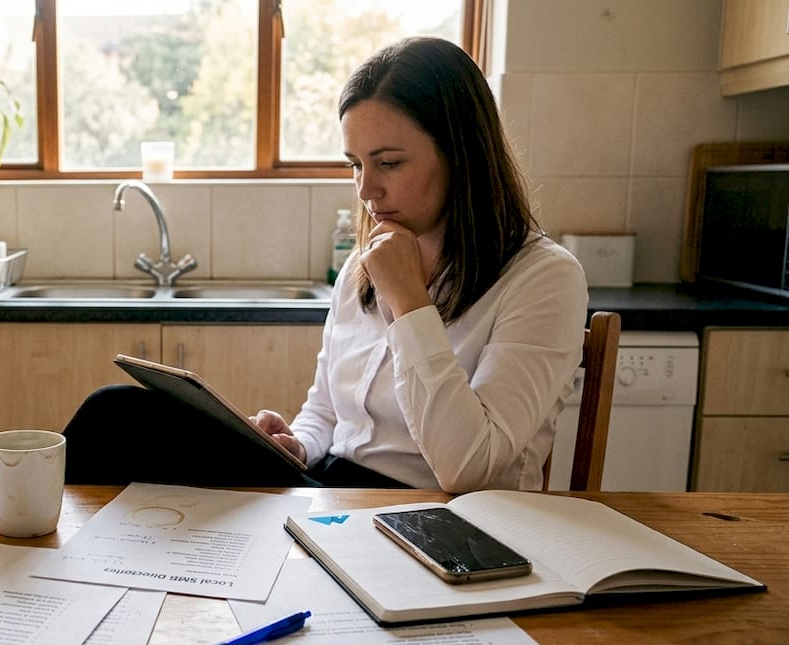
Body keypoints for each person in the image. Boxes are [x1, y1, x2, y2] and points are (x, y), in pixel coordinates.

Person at [63, 36, 587, 493]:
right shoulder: (364, 264)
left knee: (117, 422)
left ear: (463, 155)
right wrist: (296, 445)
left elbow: (468, 470)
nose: (366, 189)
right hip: (332, 495)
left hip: (439, 514)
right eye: (356, 165)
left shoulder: (542, 277)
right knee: (114, 415)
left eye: (388, 163)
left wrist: (409, 304)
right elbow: (326, 413)